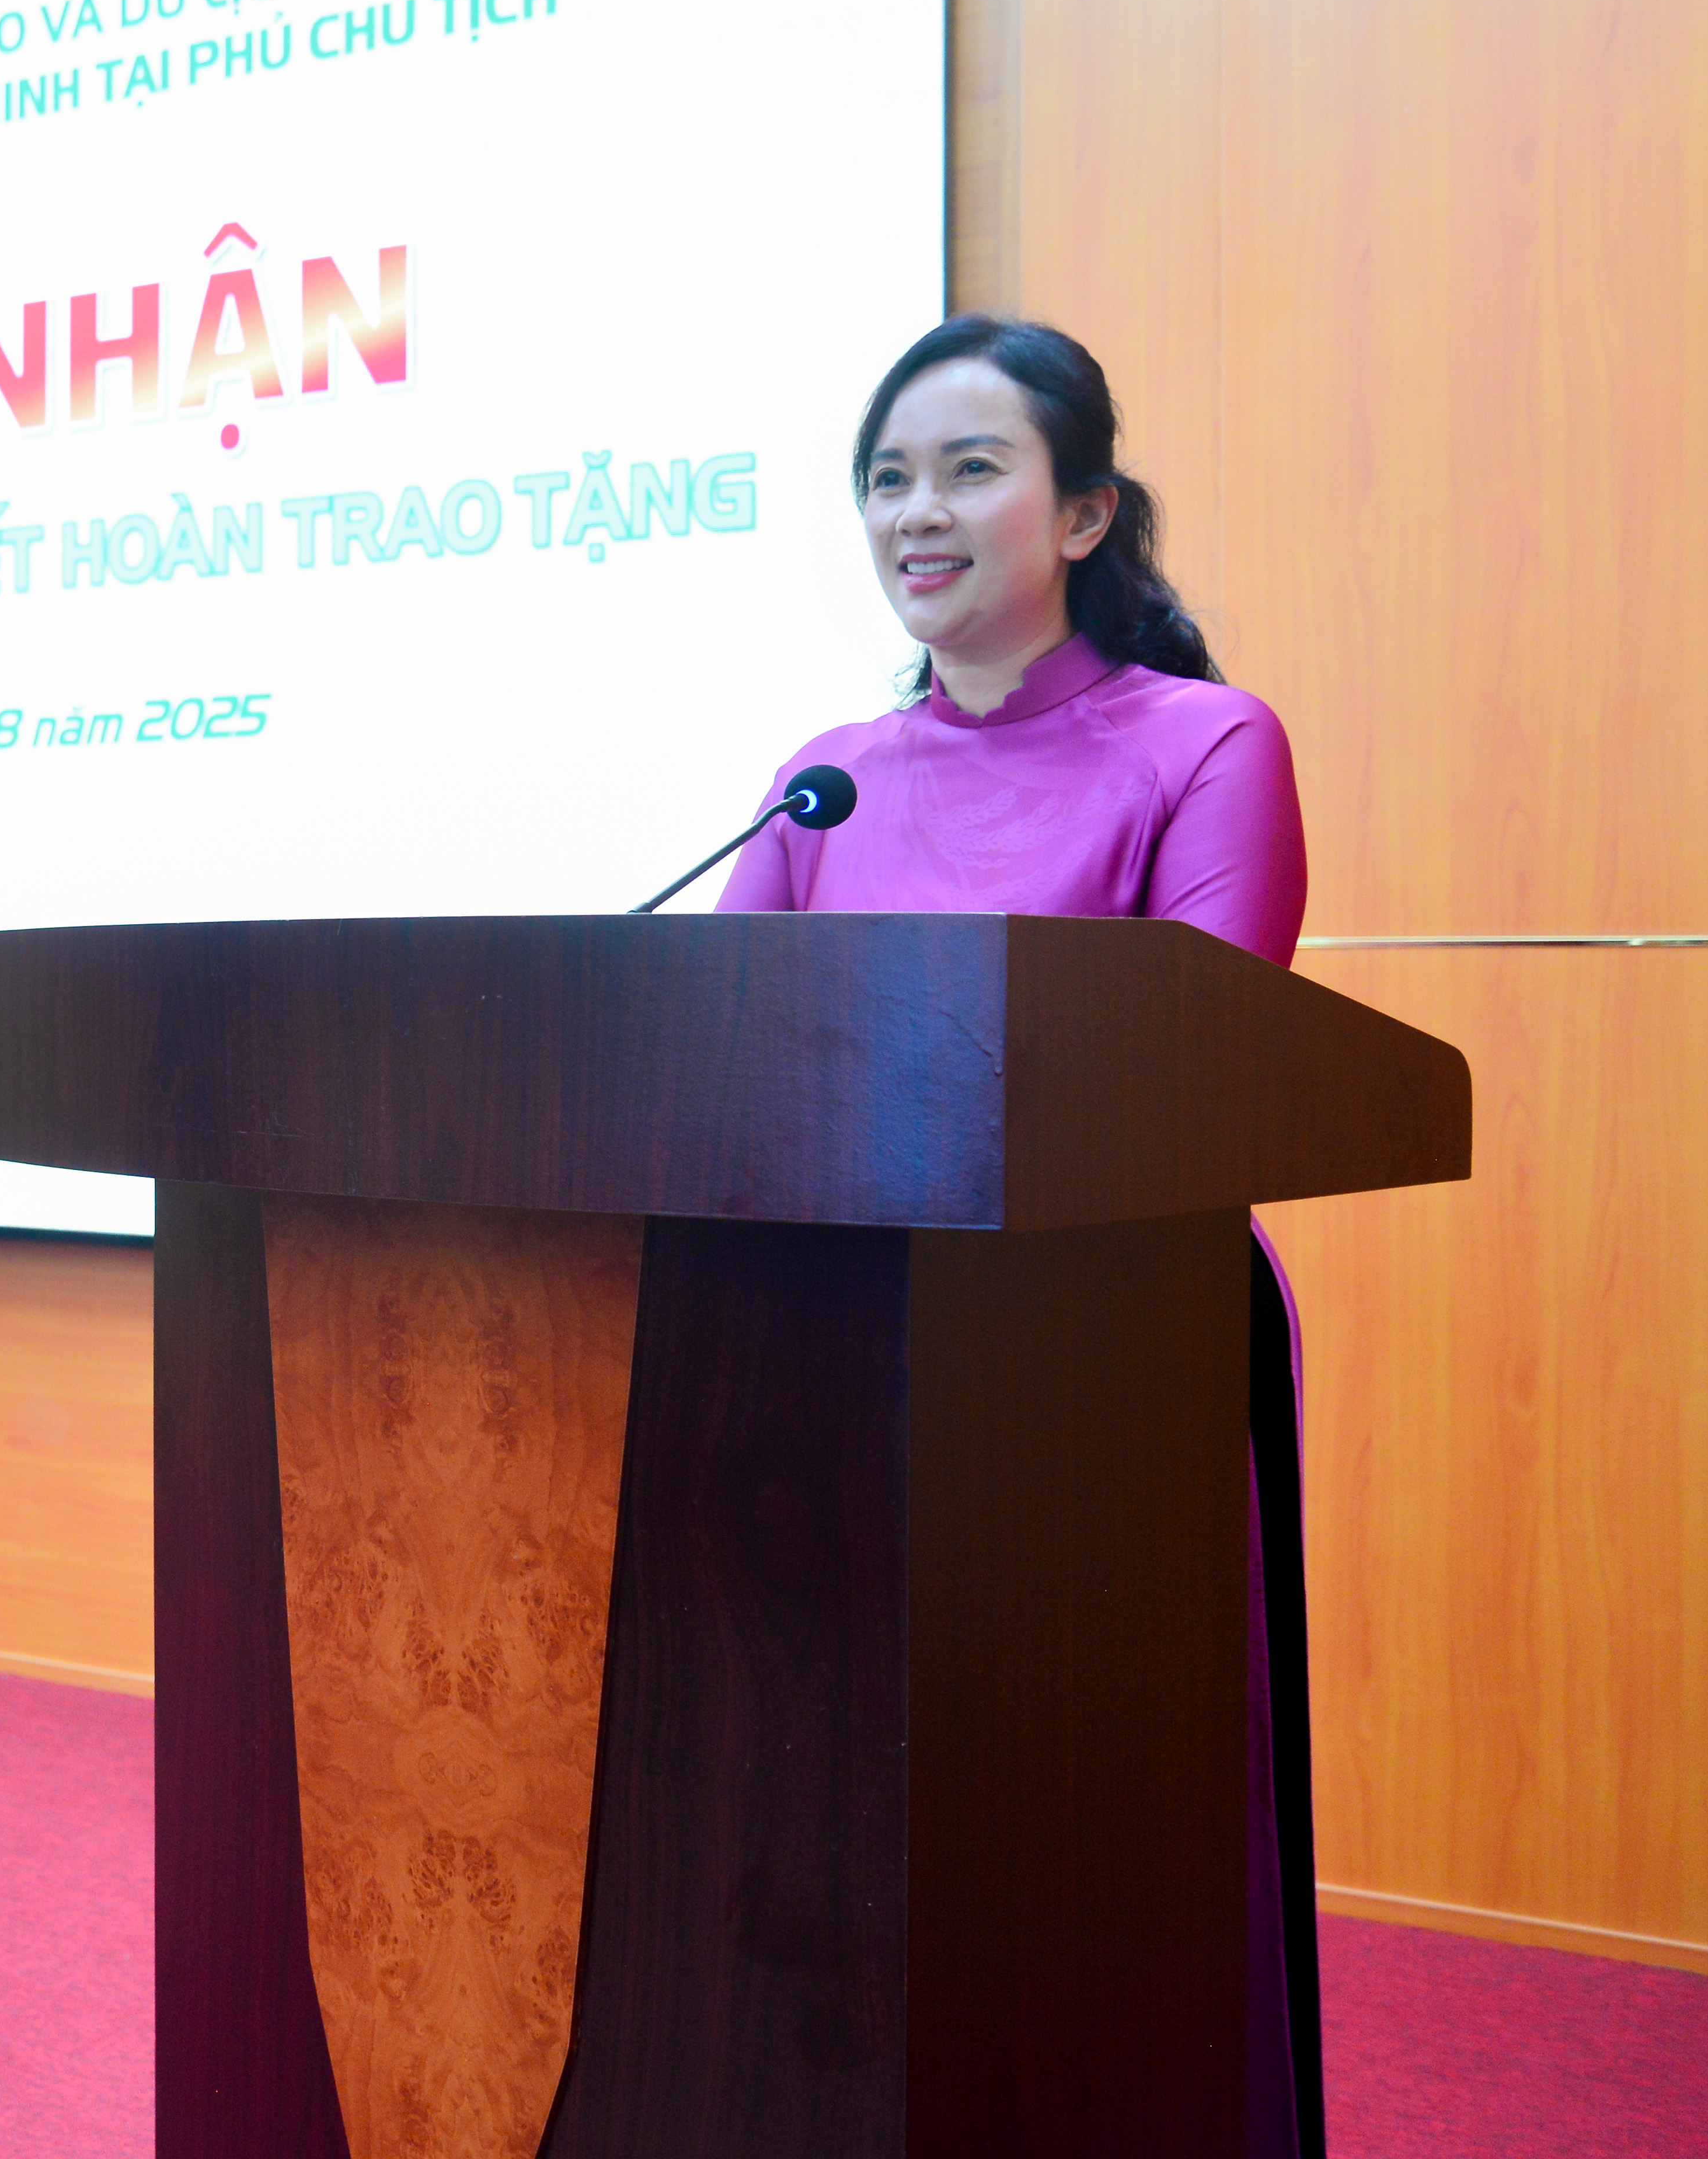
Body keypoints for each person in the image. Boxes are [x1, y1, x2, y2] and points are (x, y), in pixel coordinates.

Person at [715, 315, 1324, 2159]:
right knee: (821, 1809)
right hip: (824, 1354)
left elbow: (1197, 1062)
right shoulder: (821, 777)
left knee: (1085, 1822)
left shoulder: (1203, 745)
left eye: (967, 468)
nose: (917, 511)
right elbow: (716, 1066)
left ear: (1083, 514)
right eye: (885, 478)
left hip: (1102, 1354)